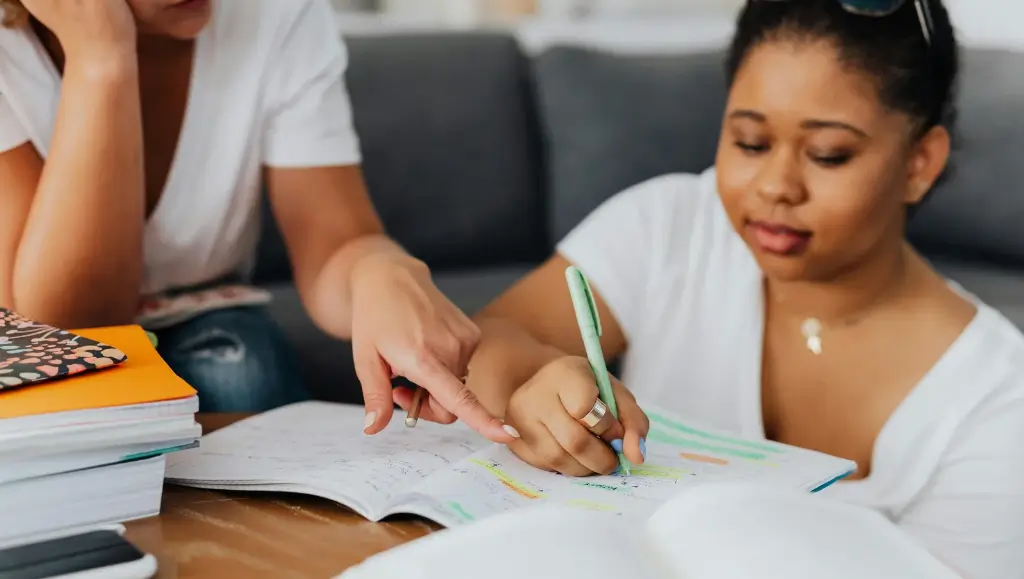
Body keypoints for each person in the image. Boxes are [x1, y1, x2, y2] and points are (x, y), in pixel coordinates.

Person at [396, 1, 1024, 577]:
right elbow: (487, 344)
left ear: (920, 164)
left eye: (828, 155)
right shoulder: (674, 226)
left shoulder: (995, 400)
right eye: (750, 142)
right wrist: (538, 381)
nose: (775, 186)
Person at [0, 0, 517, 443]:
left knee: (241, 370)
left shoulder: (278, 14)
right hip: (34, 336)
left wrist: (376, 272)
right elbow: (64, 323)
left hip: (201, 308)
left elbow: (337, 244)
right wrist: (103, 58)